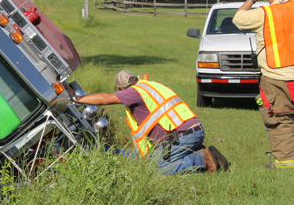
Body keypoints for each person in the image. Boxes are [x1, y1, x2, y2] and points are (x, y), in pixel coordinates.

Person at [73, 70, 229, 175]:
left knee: (153, 168)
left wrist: (77, 99)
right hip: (193, 131)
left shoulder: (133, 93)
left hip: (182, 136)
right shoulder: (148, 86)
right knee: (139, 158)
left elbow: (106, 99)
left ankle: (202, 159)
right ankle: (104, 150)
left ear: (122, 90)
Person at [233, 0, 294, 169]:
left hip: (275, 76)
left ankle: (285, 161)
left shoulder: (263, 13)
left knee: (279, 116)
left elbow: (238, 19)